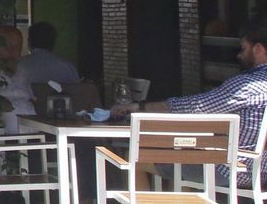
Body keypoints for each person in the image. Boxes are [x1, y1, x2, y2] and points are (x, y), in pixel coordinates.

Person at [112, 14, 267, 186]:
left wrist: (139, 106)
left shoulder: (246, 86)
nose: (239, 55)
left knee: (135, 157)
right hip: (263, 170)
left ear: (258, 49)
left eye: (243, 48)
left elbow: (196, 106)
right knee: (187, 159)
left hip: (235, 170)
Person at [0, 25, 35, 133]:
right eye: (8, 46)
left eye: (17, 47)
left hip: (32, 135)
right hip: (2, 136)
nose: (13, 52)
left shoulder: (24, 68)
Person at [16, 21, 81, 87]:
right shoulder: (68, 68)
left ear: (29, 41)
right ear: (53, 42)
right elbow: (78, 92)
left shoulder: (18, 66)